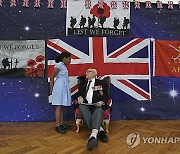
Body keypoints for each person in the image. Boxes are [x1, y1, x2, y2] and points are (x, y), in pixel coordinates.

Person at [77, 68, 109, 149]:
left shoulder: (101, 83)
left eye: (89, 72)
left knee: (98, 110)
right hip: (86, 104)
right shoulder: (83, 83)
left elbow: (106, 95)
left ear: (94, 74)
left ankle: (93, 136)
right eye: (86, 71)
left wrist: (102, 101)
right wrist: (79, 98)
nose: (86, 73)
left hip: (97, 104)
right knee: (81, 107)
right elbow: (79, 94)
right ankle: (100, 130)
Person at [50, 52, 72, 134]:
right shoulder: (58, 65)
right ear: (64, 58)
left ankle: (61, 124)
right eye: (69, 59)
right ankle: (58, 125)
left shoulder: (63, 66)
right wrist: (51, 89)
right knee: (59, 106)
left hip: (63, 87)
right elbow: (52, 77)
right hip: (59, 87)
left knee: (62, 106)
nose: (70, 61)